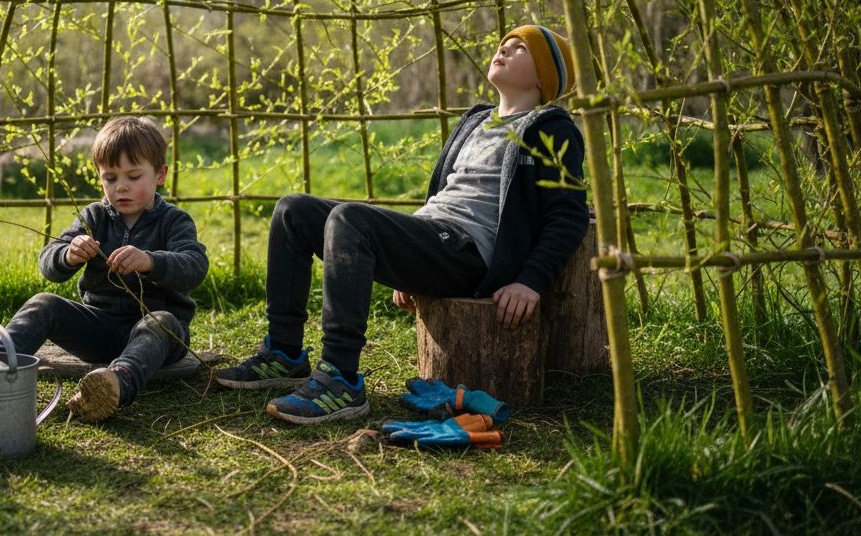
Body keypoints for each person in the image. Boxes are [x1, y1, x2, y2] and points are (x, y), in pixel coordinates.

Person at [214, 25, 590, 425]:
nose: (504, 50)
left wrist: (531, 280)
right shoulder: (477, 121)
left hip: (469, 253)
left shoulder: (551, 129)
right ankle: (284, 353)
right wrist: (407, 254)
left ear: (544, 76)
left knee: (350, 218)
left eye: (520, 49)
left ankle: (341, 380)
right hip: (435, 236)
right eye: (504, 44)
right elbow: (444, 196)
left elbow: (569, 215)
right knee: (293, 210)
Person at [0, 116, 208, 421]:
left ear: (160, 174)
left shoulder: (174, 221)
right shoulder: (94, 217)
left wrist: (151, 261)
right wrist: (69, 254)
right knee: (44, 303)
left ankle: (116, 383)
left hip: (157, 338)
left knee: (162, 321)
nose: (121, 187)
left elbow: (195, 266)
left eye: (133, 176)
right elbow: (48, 262)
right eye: (110, 178)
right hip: (99, 329)